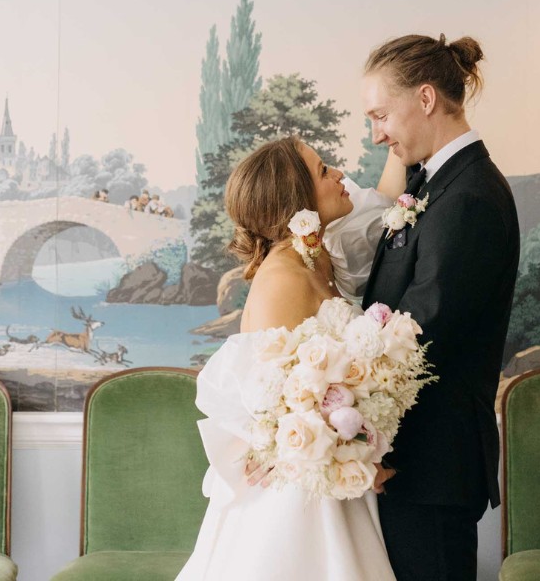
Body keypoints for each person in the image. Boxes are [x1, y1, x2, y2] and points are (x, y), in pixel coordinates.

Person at [175, 135, 405, 581]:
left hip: (335, 488)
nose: (340, 175)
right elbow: (277, 411)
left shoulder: (315, 255)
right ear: (296, 201)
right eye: (324, 171)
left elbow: (385, 199)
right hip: (295, 501)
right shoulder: (282, 277)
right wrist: (352, 456)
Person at [360, 34, 520, 581]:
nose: (377, 132)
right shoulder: (440, 183)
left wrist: (352, 432)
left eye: (381, 114)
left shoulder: (470, 197)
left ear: (425, 99)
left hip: (431, 464)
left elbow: (421, 334)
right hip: (417, 464)